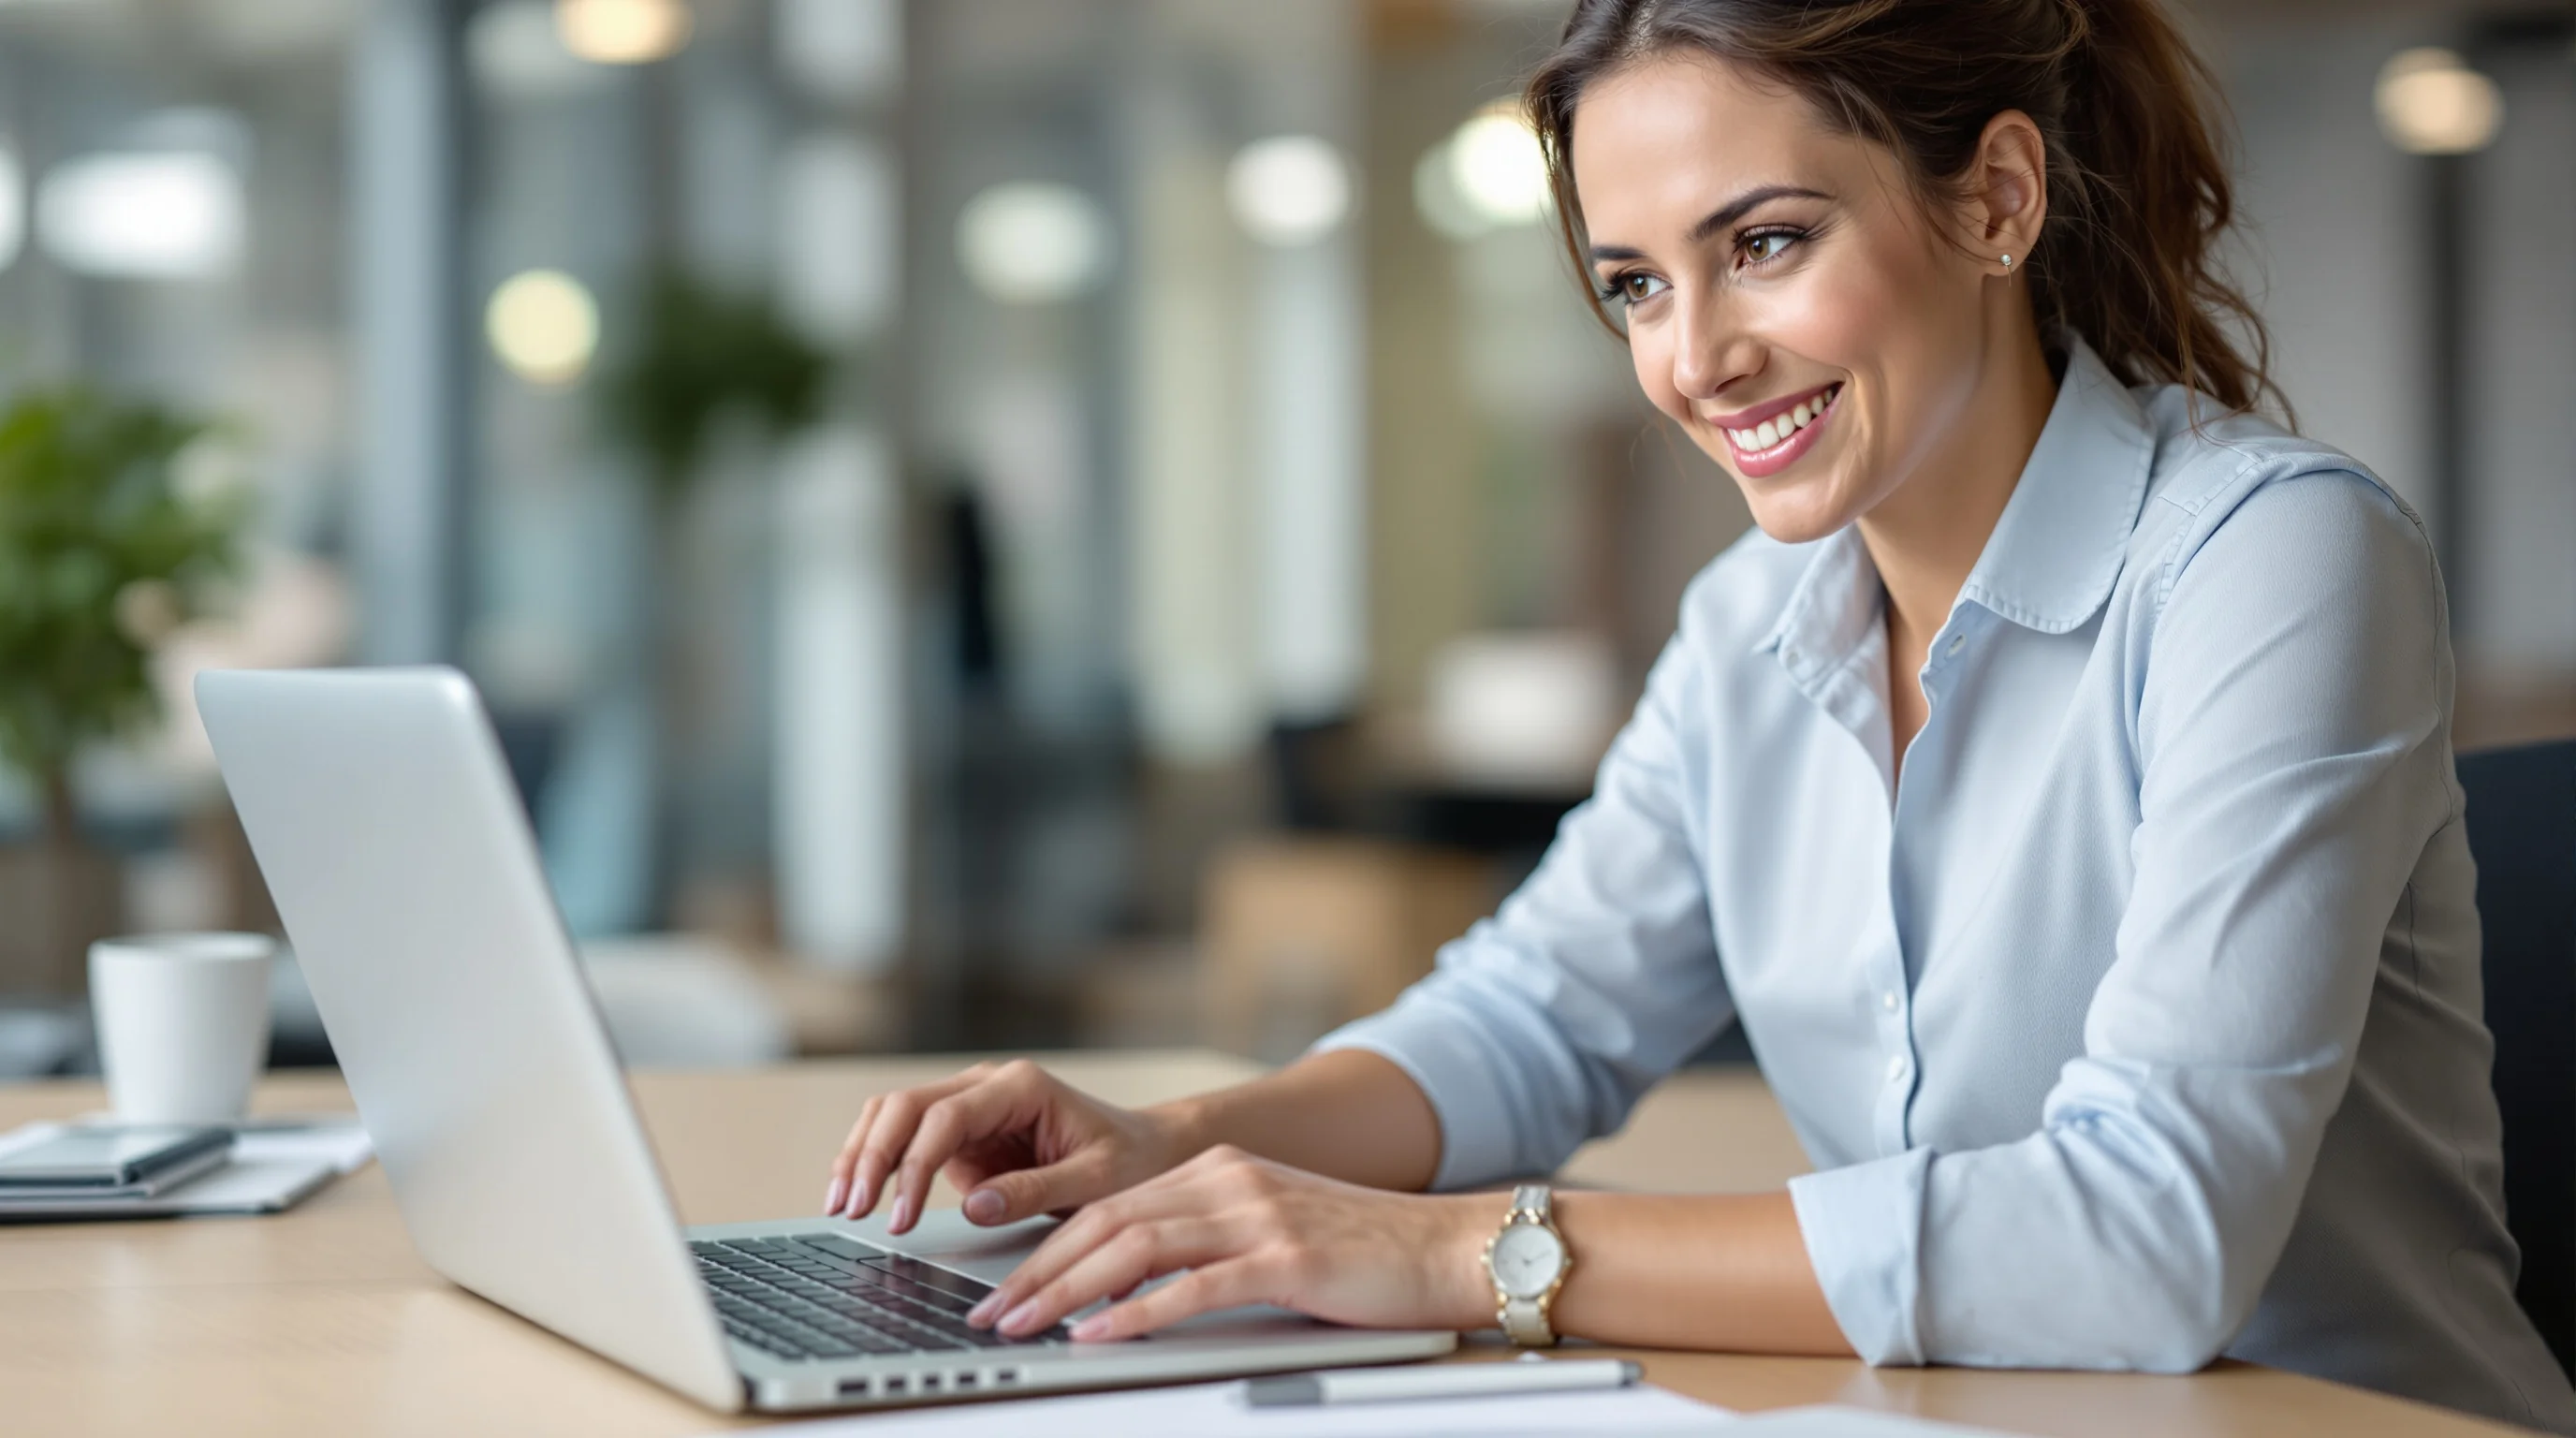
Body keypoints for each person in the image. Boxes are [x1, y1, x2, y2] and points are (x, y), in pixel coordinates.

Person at [820, 1, 2576, 1429]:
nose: (1695, 359)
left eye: (1768, 243)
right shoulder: (1752, 625)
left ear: (1995, 202)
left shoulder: (2272, 563)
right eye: (1640, 284)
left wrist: (1463, 1260)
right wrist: (1192, 1145)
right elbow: (1531, 1024)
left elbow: (2147, 1236)